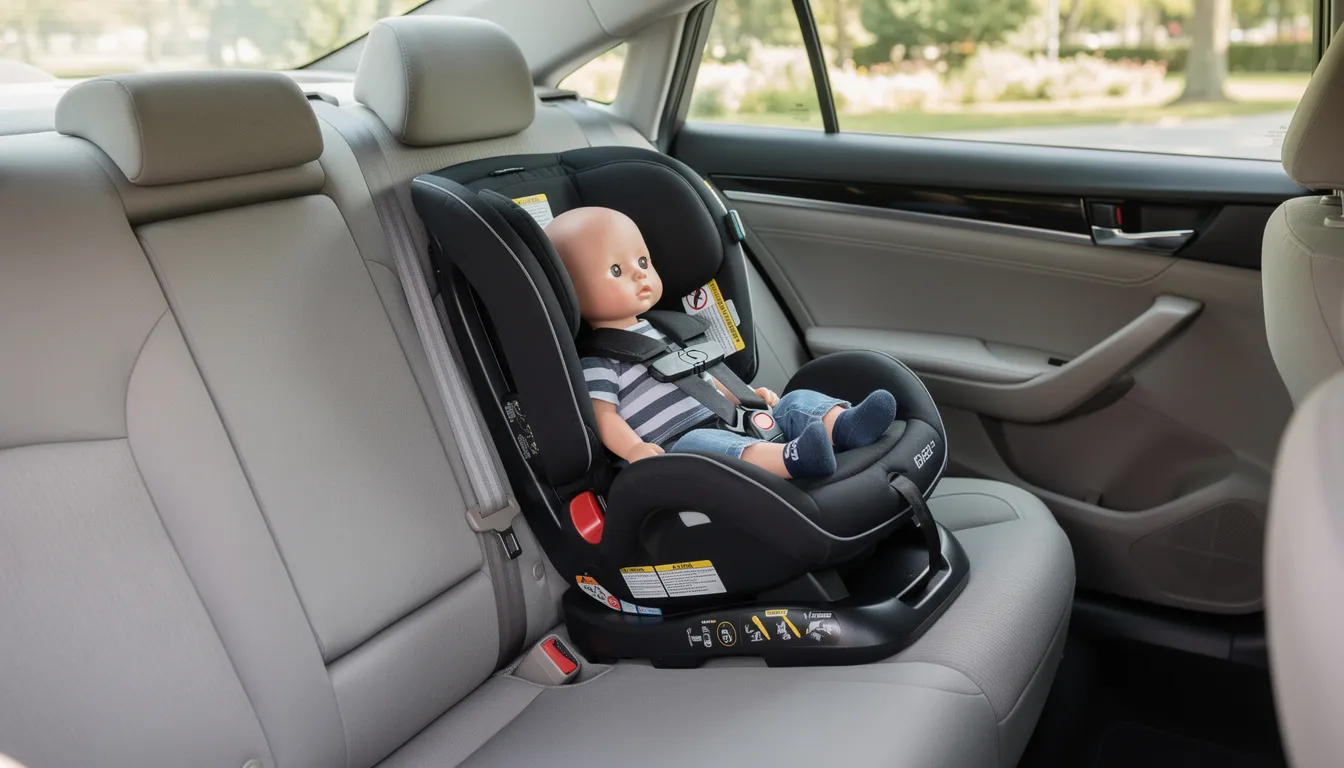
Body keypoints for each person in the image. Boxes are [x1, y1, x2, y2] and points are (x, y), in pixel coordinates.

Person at [544, 205, 897, 479]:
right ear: (570, 293)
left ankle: (845, 425)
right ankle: (795, 458)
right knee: (707, 446)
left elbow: (703, 378)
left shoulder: (671, 330)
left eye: (643, 261)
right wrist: (635, 448)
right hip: (679, 446)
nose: (640, 274)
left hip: (730, 416)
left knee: (794, 403)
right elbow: (603, 417)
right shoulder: (599, 360)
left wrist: (743, 396)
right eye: (617, 270)